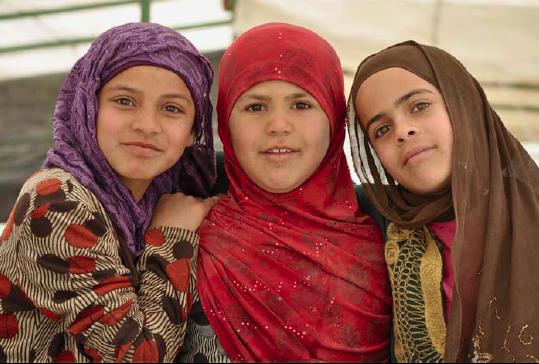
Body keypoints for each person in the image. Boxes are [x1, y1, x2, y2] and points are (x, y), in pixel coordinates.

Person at [0, 22, 217, 362]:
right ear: (88, 106)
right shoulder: (58, 200)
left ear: (194, 130)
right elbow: (139, 356)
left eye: (172, 108)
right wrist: (171, 236)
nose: (147, 125)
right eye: (125, 101)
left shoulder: (163, 191)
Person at [178, 23, 392, 363]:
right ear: (224, 122)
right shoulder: (183, 231)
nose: (278, 125)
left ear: (335, 119)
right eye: (255, 107)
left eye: (301, 105)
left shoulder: (394, 245)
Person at [347, 40, 539, 362]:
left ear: (461, 103)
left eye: (419, 106)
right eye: (381, 129)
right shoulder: (375, 218)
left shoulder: (529, 210)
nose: (403, 130)